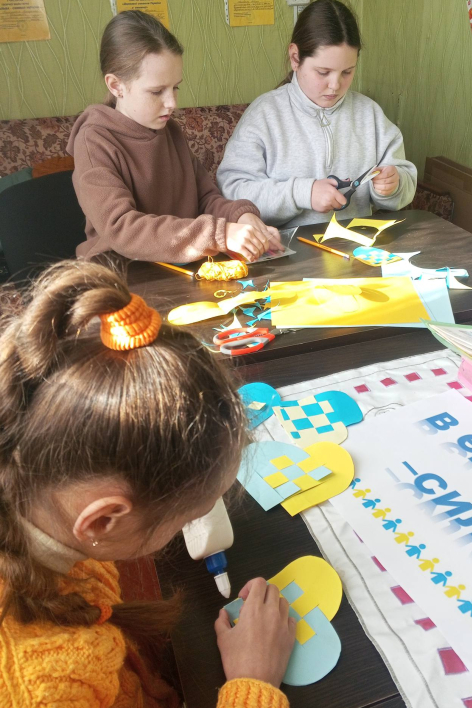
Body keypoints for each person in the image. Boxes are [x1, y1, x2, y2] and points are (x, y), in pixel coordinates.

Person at [0, 260, 295, 707]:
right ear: (102, 521)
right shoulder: (47, 690)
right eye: (186, 518)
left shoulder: (40, 497)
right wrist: (254, 682)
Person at [68, 11, 282, 264]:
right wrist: (221, 233)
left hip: (179, 266)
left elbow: (205, 198)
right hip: (123, 271)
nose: (172, 103)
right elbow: (122, 228)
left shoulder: (169, 129)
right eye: (157, 91)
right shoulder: (94, 141)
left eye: (175, 87)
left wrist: (241, 217)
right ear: (116, 86)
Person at [217, 0, 417, 229]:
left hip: (358, 244)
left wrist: (394, 185)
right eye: (323, 72)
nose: (335, 85)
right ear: (295, 57)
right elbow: (233, 191)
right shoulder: (264, 115)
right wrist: (302, 193)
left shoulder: (369, 114)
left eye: (347, 72)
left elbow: (404, 180)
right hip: (282, 248)